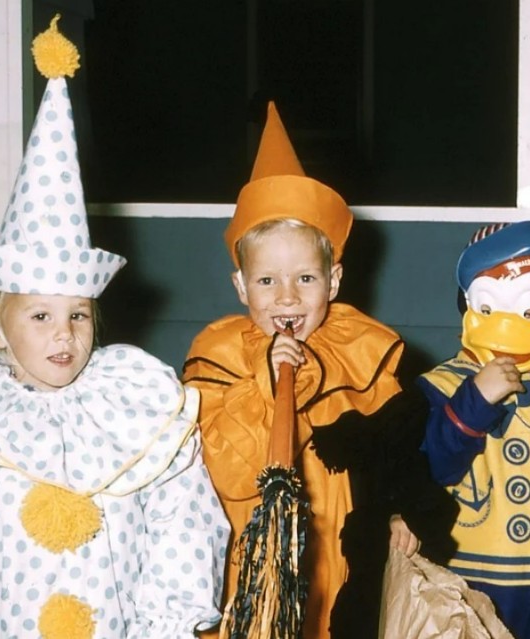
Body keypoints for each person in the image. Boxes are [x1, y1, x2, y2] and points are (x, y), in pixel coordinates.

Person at [0, 18, 229, 639]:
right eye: (40, 316)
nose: (63, 334)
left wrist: (166, 627)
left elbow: (183, 530)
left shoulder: (139, 410)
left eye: (78, 315)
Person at [182, 101, 456, 638]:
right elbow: (224, 471)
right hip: (254, 563)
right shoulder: (220, 355)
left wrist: (402, 512)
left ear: (332, 282)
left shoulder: (361, 349)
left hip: (347, 563)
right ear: (241, 287)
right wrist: (265, 383)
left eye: (306, 279)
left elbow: (401, 451)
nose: (287, 296)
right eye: (267, 282)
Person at [416, 221, 530, 639]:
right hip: (475, 579)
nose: (508, 324)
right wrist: (473, 402)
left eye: (527, 310)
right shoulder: (440, 385)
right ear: (467, 304)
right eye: (488, 308)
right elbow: (432, 466)